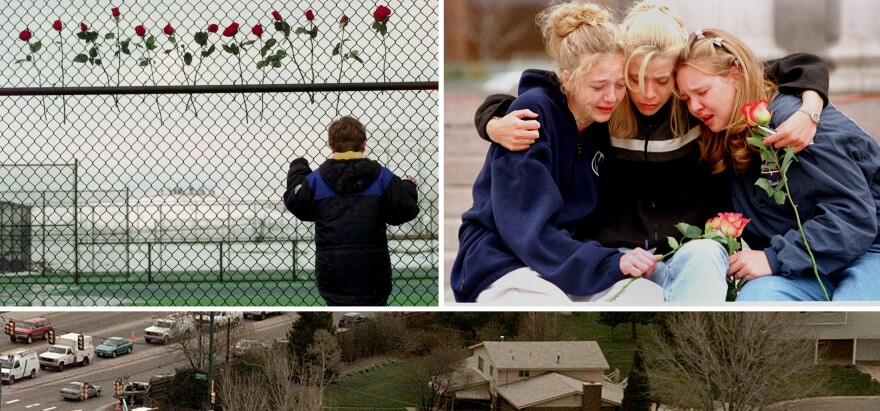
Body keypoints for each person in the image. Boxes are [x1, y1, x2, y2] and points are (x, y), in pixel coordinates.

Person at [471, 1, 827, 304]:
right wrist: (492, 121)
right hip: (619, 252)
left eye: (661, 80)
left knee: (703, 260)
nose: (648, 94)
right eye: (634, 79)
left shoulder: (693, 101)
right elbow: (547, 96)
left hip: (693, 245)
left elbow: (799, 66)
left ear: (678, 72)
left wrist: (810, 109)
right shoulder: (606, 105)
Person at [452, 2, 664, 304]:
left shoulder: (600, 122)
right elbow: (527, 230)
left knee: (645, 296)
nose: (612, 96)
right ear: (567, 79)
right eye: (599, 86)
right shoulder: (532, 116)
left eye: (619, 84)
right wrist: (604, 262)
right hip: (504, 259)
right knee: (550, 304)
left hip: (563, 261)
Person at [675, 28, 880, 301]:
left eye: (702, 91)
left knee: (852, 311)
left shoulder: (790, 124)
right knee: (756, 303)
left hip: (868, 250)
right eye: (686, 98)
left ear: (735, 76)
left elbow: (854, 216)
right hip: (805, 266)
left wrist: (773, 258)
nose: (694, 107)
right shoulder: (724, 135)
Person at [283, 115, 419, 307]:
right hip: (373, 274)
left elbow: (296, 202)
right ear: (363, 145)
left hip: (332, 272)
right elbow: (405, 210)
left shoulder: (317, 180)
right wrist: (408, 187)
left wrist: (298, 168)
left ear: (331, 147)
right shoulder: (381, 177)